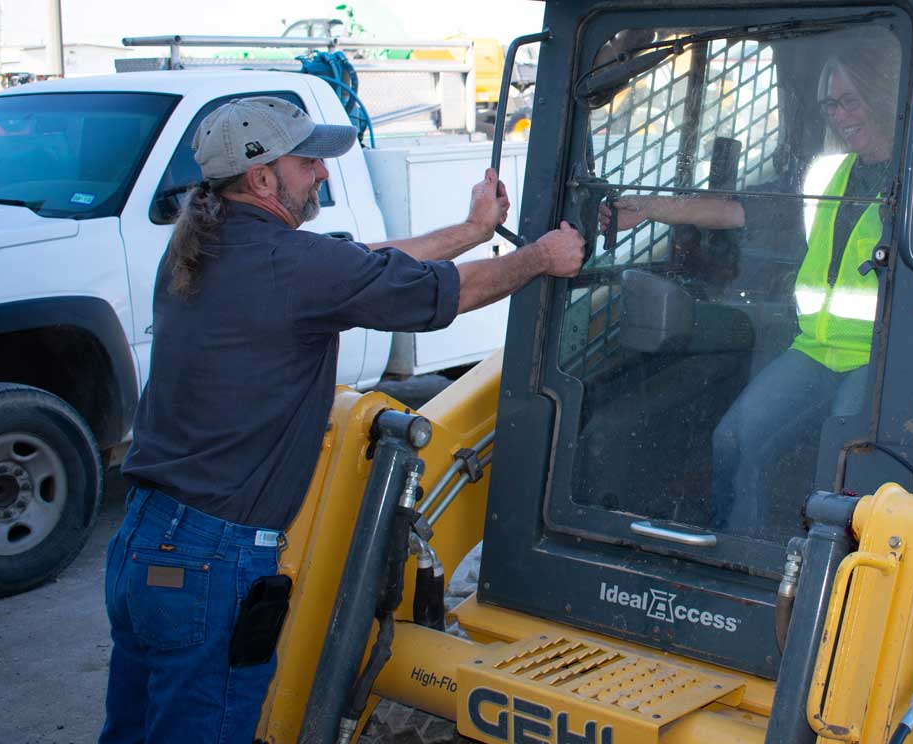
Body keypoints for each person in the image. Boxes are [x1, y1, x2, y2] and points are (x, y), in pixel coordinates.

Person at [100, 96, 583, 743]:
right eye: (308, 161)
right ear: (262, 178)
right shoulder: (290, 266)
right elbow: (449, 293)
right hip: (211, 563)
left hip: (143, 547)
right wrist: (542, 258)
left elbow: (368, 260)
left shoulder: (200, 248)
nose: (323, 173)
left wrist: (471, 230)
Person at [599, 44, 900, 534]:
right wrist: (649, 207)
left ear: (881, 96)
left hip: (881, 359)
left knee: (845, 459)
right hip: (817, 351)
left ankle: (833, 582)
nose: (841, 116)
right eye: (831, 104)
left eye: (851, 101)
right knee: (734, 438)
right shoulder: (828, 174)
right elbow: (736, 210)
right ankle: (739, 555)